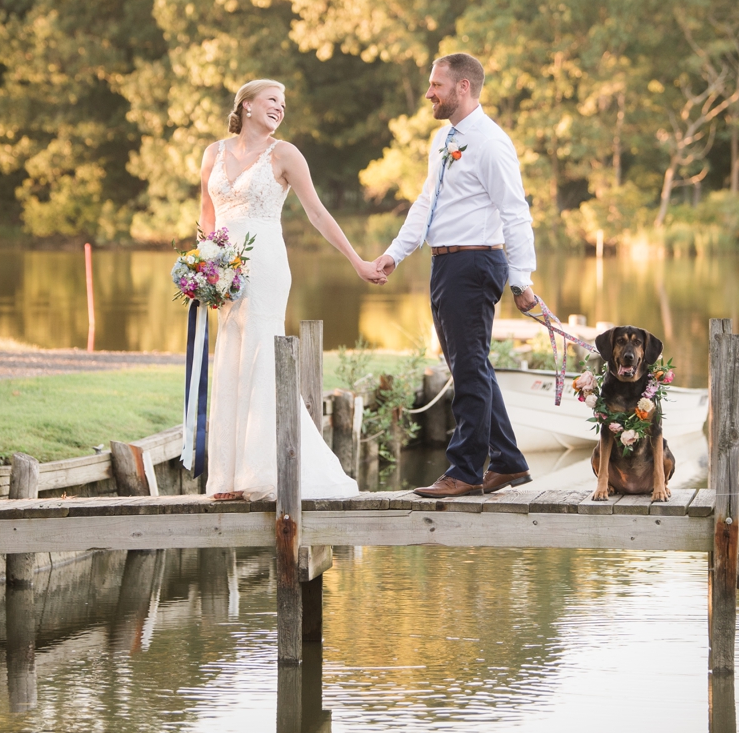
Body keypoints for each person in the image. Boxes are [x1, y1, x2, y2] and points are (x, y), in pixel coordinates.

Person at [199, 79, 381, 498]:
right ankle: (227, 477)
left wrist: (357, 261)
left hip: (264, 264)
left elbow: (317, 213)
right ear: (246, 106)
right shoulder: (213, 153)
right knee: (230, 355)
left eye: (283, 103)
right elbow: (206, 218)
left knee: (262, 353)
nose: (280, 108)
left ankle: (263, 472)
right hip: (225, 268)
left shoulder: (285, 154)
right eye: (271, 100)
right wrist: (203, 269)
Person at [374, 53, 543, 498]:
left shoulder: (490, 141)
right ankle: (507, 461)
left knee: (469, 371)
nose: (429, 93)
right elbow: (426, 203)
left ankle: (465, 471)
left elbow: (515, 212)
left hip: (474, 263)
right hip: (446, 263)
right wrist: (396, 252)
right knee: (472, 369)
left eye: (436, 86)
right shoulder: (443, 139)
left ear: (463, 87)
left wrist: (521, 279)